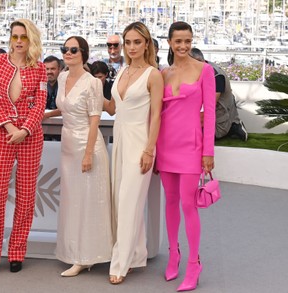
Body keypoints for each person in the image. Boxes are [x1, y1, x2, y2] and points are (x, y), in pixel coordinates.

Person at [0, 19, 47, 275]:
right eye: (15, 37)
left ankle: (17, 251)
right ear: (10, 39)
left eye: (24, 37)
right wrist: (10, 128)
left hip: (30, 137)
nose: (19, 41)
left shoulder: (40, 69)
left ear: (31, 40)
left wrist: (25, 130)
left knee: (26, 196)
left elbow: (40, 102)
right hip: (3, 135)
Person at [156, 21, 216, 292]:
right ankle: (173, 254)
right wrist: (154, 151)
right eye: (178, 41)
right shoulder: (163, 73)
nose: (183, 46)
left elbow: (211, 115)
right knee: (170, 201)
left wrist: (208, 152)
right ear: (169, 42)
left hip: (191, 147)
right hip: (165, 145)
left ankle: (194, 263)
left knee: (189, 205)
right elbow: (157, 114)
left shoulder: (205, 70)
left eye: (187, 41)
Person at [102, 22, 163, 285]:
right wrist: (90, 86)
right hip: (120, 141)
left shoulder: (153, 75)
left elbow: (158, 115)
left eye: (137, 42)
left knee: (128, 202)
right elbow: (114, 108)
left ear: (146, 44)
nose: (131, 47)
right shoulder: (122, 71)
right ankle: (137, 254)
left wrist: (150, 149)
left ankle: (120, 263)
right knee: (121, 201)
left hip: (140, 142)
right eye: (128, 42)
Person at [54, 36, 113, 277]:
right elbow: (67, 106)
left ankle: (85, 257)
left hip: (87, 145)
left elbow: (94, 119)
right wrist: (47, 114)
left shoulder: (93, 83)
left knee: (88, 202)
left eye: (73, 49)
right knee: (72, 200)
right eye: (64, 49)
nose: (68, 53)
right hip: (68, 144)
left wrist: (88, 154)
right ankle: (74, 252)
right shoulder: (62, 76)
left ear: (84, 54)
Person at [189, 48, 248, 141]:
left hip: (220, 117)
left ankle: (233, 127)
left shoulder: (216, 76)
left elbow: (209, 107)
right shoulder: (202, 68)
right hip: (212, 113)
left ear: (200, 61)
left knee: (195, 137)